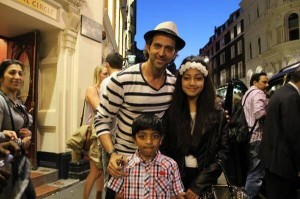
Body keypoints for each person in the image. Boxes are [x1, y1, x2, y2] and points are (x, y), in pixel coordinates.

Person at [94, 21, 185, 180]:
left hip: (154, 165)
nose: (162, 53)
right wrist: (112, 154)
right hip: (124, 162)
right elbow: (102, 120)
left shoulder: (174, 86)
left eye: (169, 48)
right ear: (148, 47)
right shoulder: (122, 80)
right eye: (157, 46)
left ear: (174, 54)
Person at [161, 55, 229, 197]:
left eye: (198, 78)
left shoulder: (218, 114)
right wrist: (174, 185)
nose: (192, 83)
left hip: (205, 183)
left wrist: (198, 185)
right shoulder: (170, 113)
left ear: (205, 81)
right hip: (175, 183)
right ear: (180, 81)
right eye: (186, 78)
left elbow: (223, 154)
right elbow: (164, 151)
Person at [107, 113, 185, 199]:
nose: (149, 141)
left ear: (161, 139)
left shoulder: (171, 165)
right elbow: (119, 196)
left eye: (155, 136)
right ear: (134, 139)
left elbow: (175, 196)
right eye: (142, 136)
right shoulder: (124, 165)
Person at [259, 67, 300, 199]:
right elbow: (293, 134)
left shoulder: (280, 93)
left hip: (273, 161)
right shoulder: (292, 97)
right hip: (283, 164)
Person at [0, 59, 35, 198]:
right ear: (1, 78)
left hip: (19, 161)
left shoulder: (17, 102)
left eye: (20, 73)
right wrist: (21, 142)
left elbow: (26, 124)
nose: (17, 77)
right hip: (5, 164)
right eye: (12, 73)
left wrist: (28, 135)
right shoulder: (1, 101)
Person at [98, 52, 123, 198]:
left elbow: (103, 115)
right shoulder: (125, 79)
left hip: (110, 137)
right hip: (124, 137)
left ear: (107, 64)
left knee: (110, 178)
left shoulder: (107, 82)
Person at [82, 65, 107, 199]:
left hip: (103, 133)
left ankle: (98, 197)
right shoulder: (93, 89)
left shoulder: (105, 90)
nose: (108, 77)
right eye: (105, 74)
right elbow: (100, 109)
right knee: (95, 171)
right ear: (98, 74)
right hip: (95, 133)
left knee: (101, 171)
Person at [242, 72, 269, 199]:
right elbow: (259, 113)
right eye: (264, 82)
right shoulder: (258, 93)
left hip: (248, 137)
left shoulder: (247, 94)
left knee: (251, 170)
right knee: (256, 174)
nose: (267, 85)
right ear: (255, 82)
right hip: (257, 137)